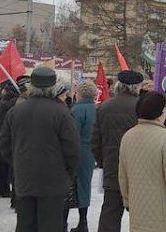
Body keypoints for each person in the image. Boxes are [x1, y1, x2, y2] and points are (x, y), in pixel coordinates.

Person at [0, 66, 81, 232]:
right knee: (50, 225)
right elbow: (72, 148)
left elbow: (4, 144)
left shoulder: (16, 111)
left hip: (24, 179)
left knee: (25, 224)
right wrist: (67, 173)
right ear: (54, 87)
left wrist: (18, 162)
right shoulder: (62, 113)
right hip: (53, 181)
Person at [119, 92, 166, 232]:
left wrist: (127, 201)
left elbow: (123, 175)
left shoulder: (128, 136)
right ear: (160, 113)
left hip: (138, 213)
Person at [92, 70, 144, 232]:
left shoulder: (104, 107)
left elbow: (95, 140)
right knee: (142, 211)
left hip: (113, 165)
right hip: (139, 168)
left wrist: (103, 161)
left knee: (110, 211)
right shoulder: (143, 107)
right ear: (136, 87)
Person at [66, 80, 98, 232]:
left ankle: (63, 221)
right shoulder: (97, 109)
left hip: (76, 150)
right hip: (90, 152)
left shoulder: (76, 110)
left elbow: (72, 134)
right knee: (85, 186)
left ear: (78, 93)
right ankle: (83, 221)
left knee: (70, 185)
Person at [0, 79, 20, 199]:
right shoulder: (6, 103)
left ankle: (0, 189)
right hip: (3, 136)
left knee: (1, 164)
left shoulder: (0, 101)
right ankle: (2, 190)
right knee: (3, 164)